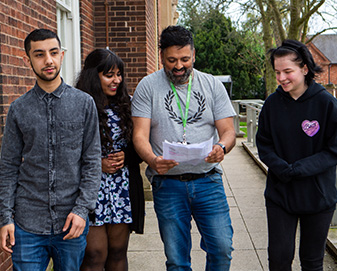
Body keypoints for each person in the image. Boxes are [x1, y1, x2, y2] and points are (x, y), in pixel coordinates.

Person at [131, 25, 236, 271]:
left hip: (208, 181)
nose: (179, 66)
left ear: (194, 55)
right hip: (167, 184)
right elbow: (139, 135)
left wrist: (222, 147)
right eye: (171, 60)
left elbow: (229, 131)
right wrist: (153, 160)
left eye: (185, 59)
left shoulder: (211, 85)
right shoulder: (147, 87)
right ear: (161, 57)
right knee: (177, 260)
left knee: (222, 249)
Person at [0, 29, 102, 270]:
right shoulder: (18, 109)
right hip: (27, 225)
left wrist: (82, 210)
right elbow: (8, 167)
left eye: (54, 53)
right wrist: (5, 217)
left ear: (62, 55)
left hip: (71, 222)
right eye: (39, 54)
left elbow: (92, 162)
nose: (48, 60)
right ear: (27, 60)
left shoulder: (84, 104)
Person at [256, 39, 337, 271]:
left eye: (287, 71)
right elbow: (263, 143)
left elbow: (334, 150)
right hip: (280, 194)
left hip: (318, 195)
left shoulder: (326, 104)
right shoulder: (272, 104)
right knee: (279, 259)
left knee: (312, 262)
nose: (281, 78)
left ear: (304, 69)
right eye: (277, 72)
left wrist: (300, 168)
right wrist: (281, 168)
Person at [76, 48, 144, 271]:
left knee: (117, 252)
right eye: (109, 75)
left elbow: (141, 144)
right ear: (93, 76)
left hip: (122, 189)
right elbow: (68, 152)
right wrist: (98, 163)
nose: (116, 80)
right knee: (95, 254)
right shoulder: (79, 106)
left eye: (118, 74)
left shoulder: (129, 104)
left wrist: (127, 156)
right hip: (91, 189)